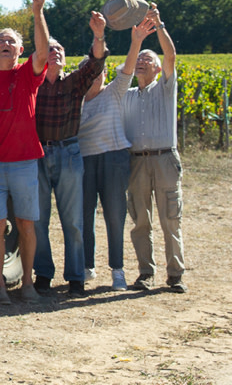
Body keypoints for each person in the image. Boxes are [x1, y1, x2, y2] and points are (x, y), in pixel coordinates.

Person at [0, 0, 52, 305]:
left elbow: (44, 52)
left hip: (24, 164)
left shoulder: (28, 74)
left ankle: (28, 283)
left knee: (26, 224)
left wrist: (38, 13)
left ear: (21, 51)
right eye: (1, 40)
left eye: (12, 42)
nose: (6, 44)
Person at [31, 12, 109, 298]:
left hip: (68, 153)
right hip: (37, 154)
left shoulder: (75, 82)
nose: (54, 53)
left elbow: (96, 62)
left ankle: (76, 276)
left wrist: (98, 35)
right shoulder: (33, 85)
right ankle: (43, 274)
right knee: (39, 219)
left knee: (73, 220)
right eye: (49, 50)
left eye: (59, 50)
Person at [77, 17, 156, 292]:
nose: (96, 76)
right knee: (85, 215)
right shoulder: (74, 103)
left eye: (100, 71)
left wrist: (136, 41)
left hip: (114, 160)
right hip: (85, 162)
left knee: (114, 215)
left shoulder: (114, 92)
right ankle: (87, 267)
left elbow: (129, 68)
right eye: (91, 71)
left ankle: (118, 271)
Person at [124, 5, 187, 293]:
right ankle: (145, 274)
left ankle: (175, 275)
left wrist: (159, 25)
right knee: (140, 222)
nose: (141, 61)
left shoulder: (165, 88)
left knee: (170, 220)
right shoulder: (127, 96)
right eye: (139, 58)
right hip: (136, 162)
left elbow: (171, 54)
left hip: (164, 160)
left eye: (148, 59)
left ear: (159, 68)